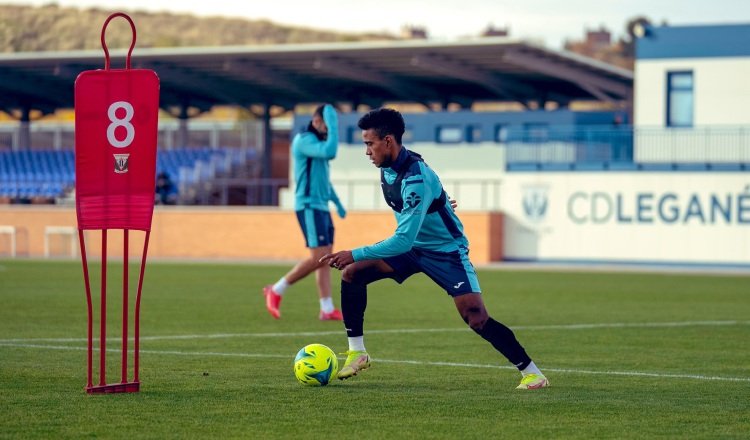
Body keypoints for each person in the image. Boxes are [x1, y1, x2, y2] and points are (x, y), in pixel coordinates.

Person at [320, 107, 548, 390]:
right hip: (412, 248)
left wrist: (353, 252)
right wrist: (435, 203)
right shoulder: (390, 167)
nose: (367, 151)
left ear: (388, 141)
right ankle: (358, 352)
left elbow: (402, 236)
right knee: (353, 274)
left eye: (369, 143)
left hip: (446, 252)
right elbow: (416, 214)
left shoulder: (416, 177)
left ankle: (532, 373)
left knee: (476, 317)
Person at [263, 104, 346, 321]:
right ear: (316, 121)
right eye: (328, 124)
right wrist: (334, 125)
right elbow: (331, 152)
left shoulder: (318, 142)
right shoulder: (304, 140)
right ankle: (277, 289)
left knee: (326, 257)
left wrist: (336, 202)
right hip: (308, 205)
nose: (330, 129)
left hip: (320, 206)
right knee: (318, 257)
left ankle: (326, 308)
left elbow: (324, 180)